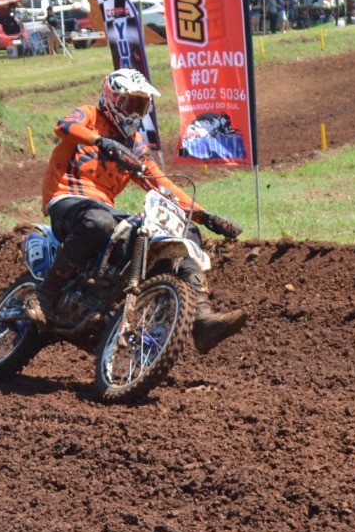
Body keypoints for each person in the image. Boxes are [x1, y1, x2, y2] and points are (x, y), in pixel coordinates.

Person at [24, 68, 247, 353]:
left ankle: (200, 319)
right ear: (111, 98)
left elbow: (161, 184)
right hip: (67, 197)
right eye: (129, 103)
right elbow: (63, 126)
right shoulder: (91, 116)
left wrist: (205, 216)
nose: (134, 112)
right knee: (98, 222)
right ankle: (45, 294)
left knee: (182, 229)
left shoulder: (135, 145)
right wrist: (100, 141)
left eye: (141, 105)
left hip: (104, 208)